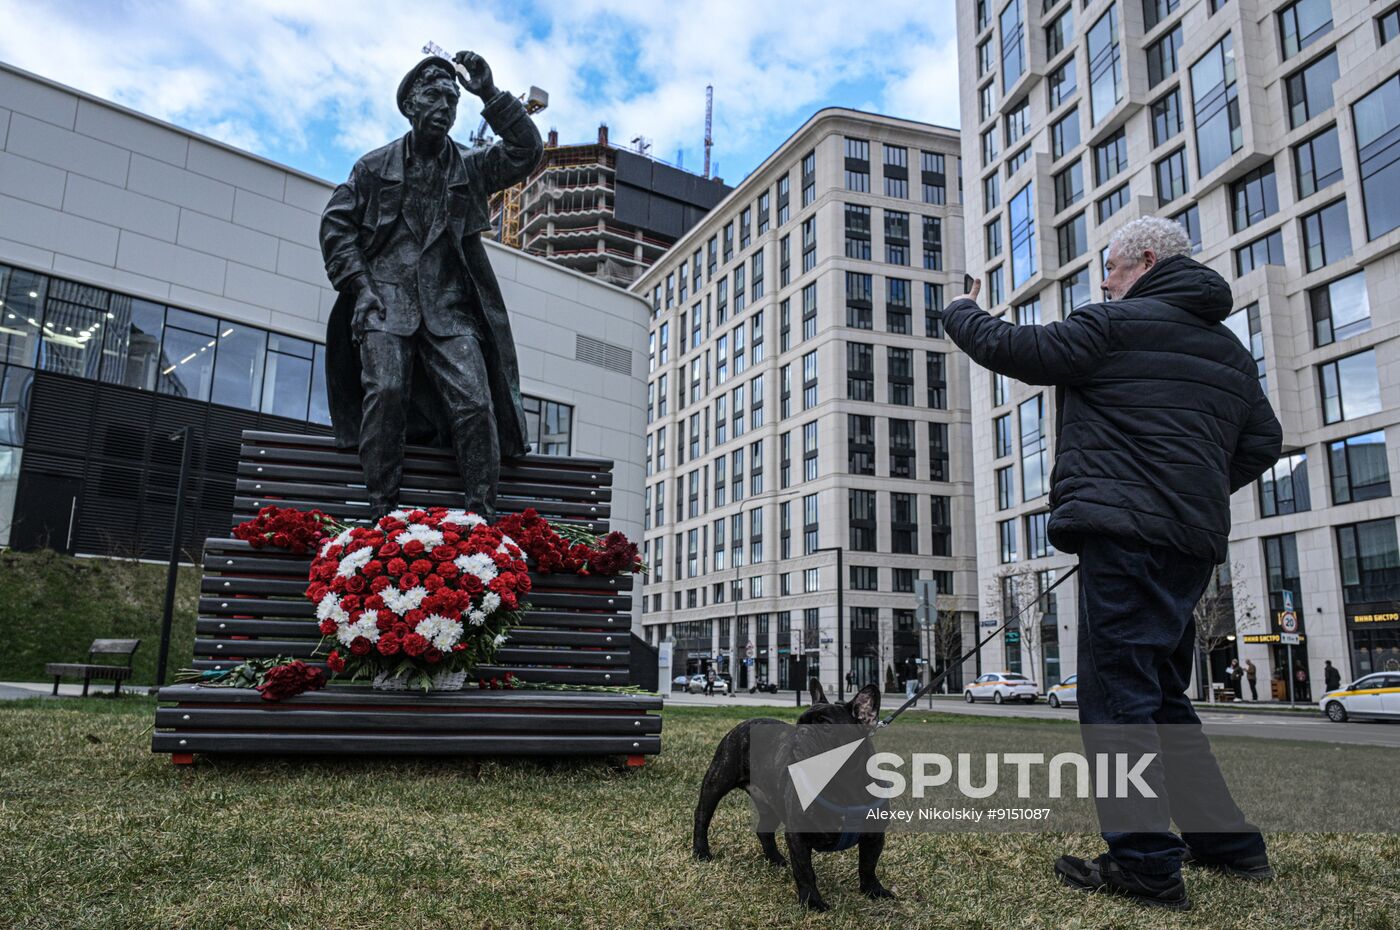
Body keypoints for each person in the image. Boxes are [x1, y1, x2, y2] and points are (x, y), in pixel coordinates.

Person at [942, 217, 1281, 909]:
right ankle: (1229, 847)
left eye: (1112, 270)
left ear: (1146, 261)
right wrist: (1189, 492)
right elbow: (1264, 442)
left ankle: (1148, 867)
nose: (1105, 282)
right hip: (1188, 546)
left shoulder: (1115, 325)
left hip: (1123, 539)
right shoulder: (1229, 352)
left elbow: (1017, 348)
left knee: (1118, 703)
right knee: (1159, 696)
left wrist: (960, 309)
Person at [320, 51, 542, 520]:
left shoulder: (470, 166)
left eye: (452, 99)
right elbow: (336, 228)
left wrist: (490, 94)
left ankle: (481, 521)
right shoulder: (373, 167)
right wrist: (360, 289)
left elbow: (526, 152)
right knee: (387, 390)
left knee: (477, 405)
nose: (444, 106)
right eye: (434, 96)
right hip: (384, 300)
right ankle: (381, 513)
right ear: (409, 105)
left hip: (448, 307)